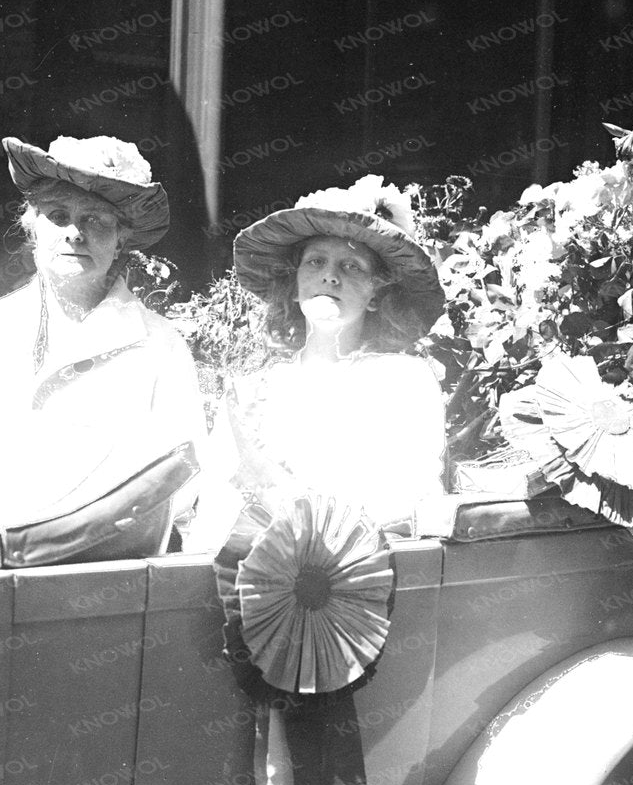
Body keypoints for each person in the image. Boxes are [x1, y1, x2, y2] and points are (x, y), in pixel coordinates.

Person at [0, 135, 207, 546]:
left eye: (96, 220)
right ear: (32, 228)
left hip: (106, 561)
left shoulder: (158, 345)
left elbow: (183, 480)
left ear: (121, 239)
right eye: (58, 215)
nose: (75, 233)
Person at [188, 175, 446, 544]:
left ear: (376, 293)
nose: (329, 276)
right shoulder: (254, 390)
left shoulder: (402, 380)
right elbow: (216, 504)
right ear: (293, 287)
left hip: (361, 569)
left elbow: (408, 493)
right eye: (315, 262)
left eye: (352, 266)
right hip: (257, 577)